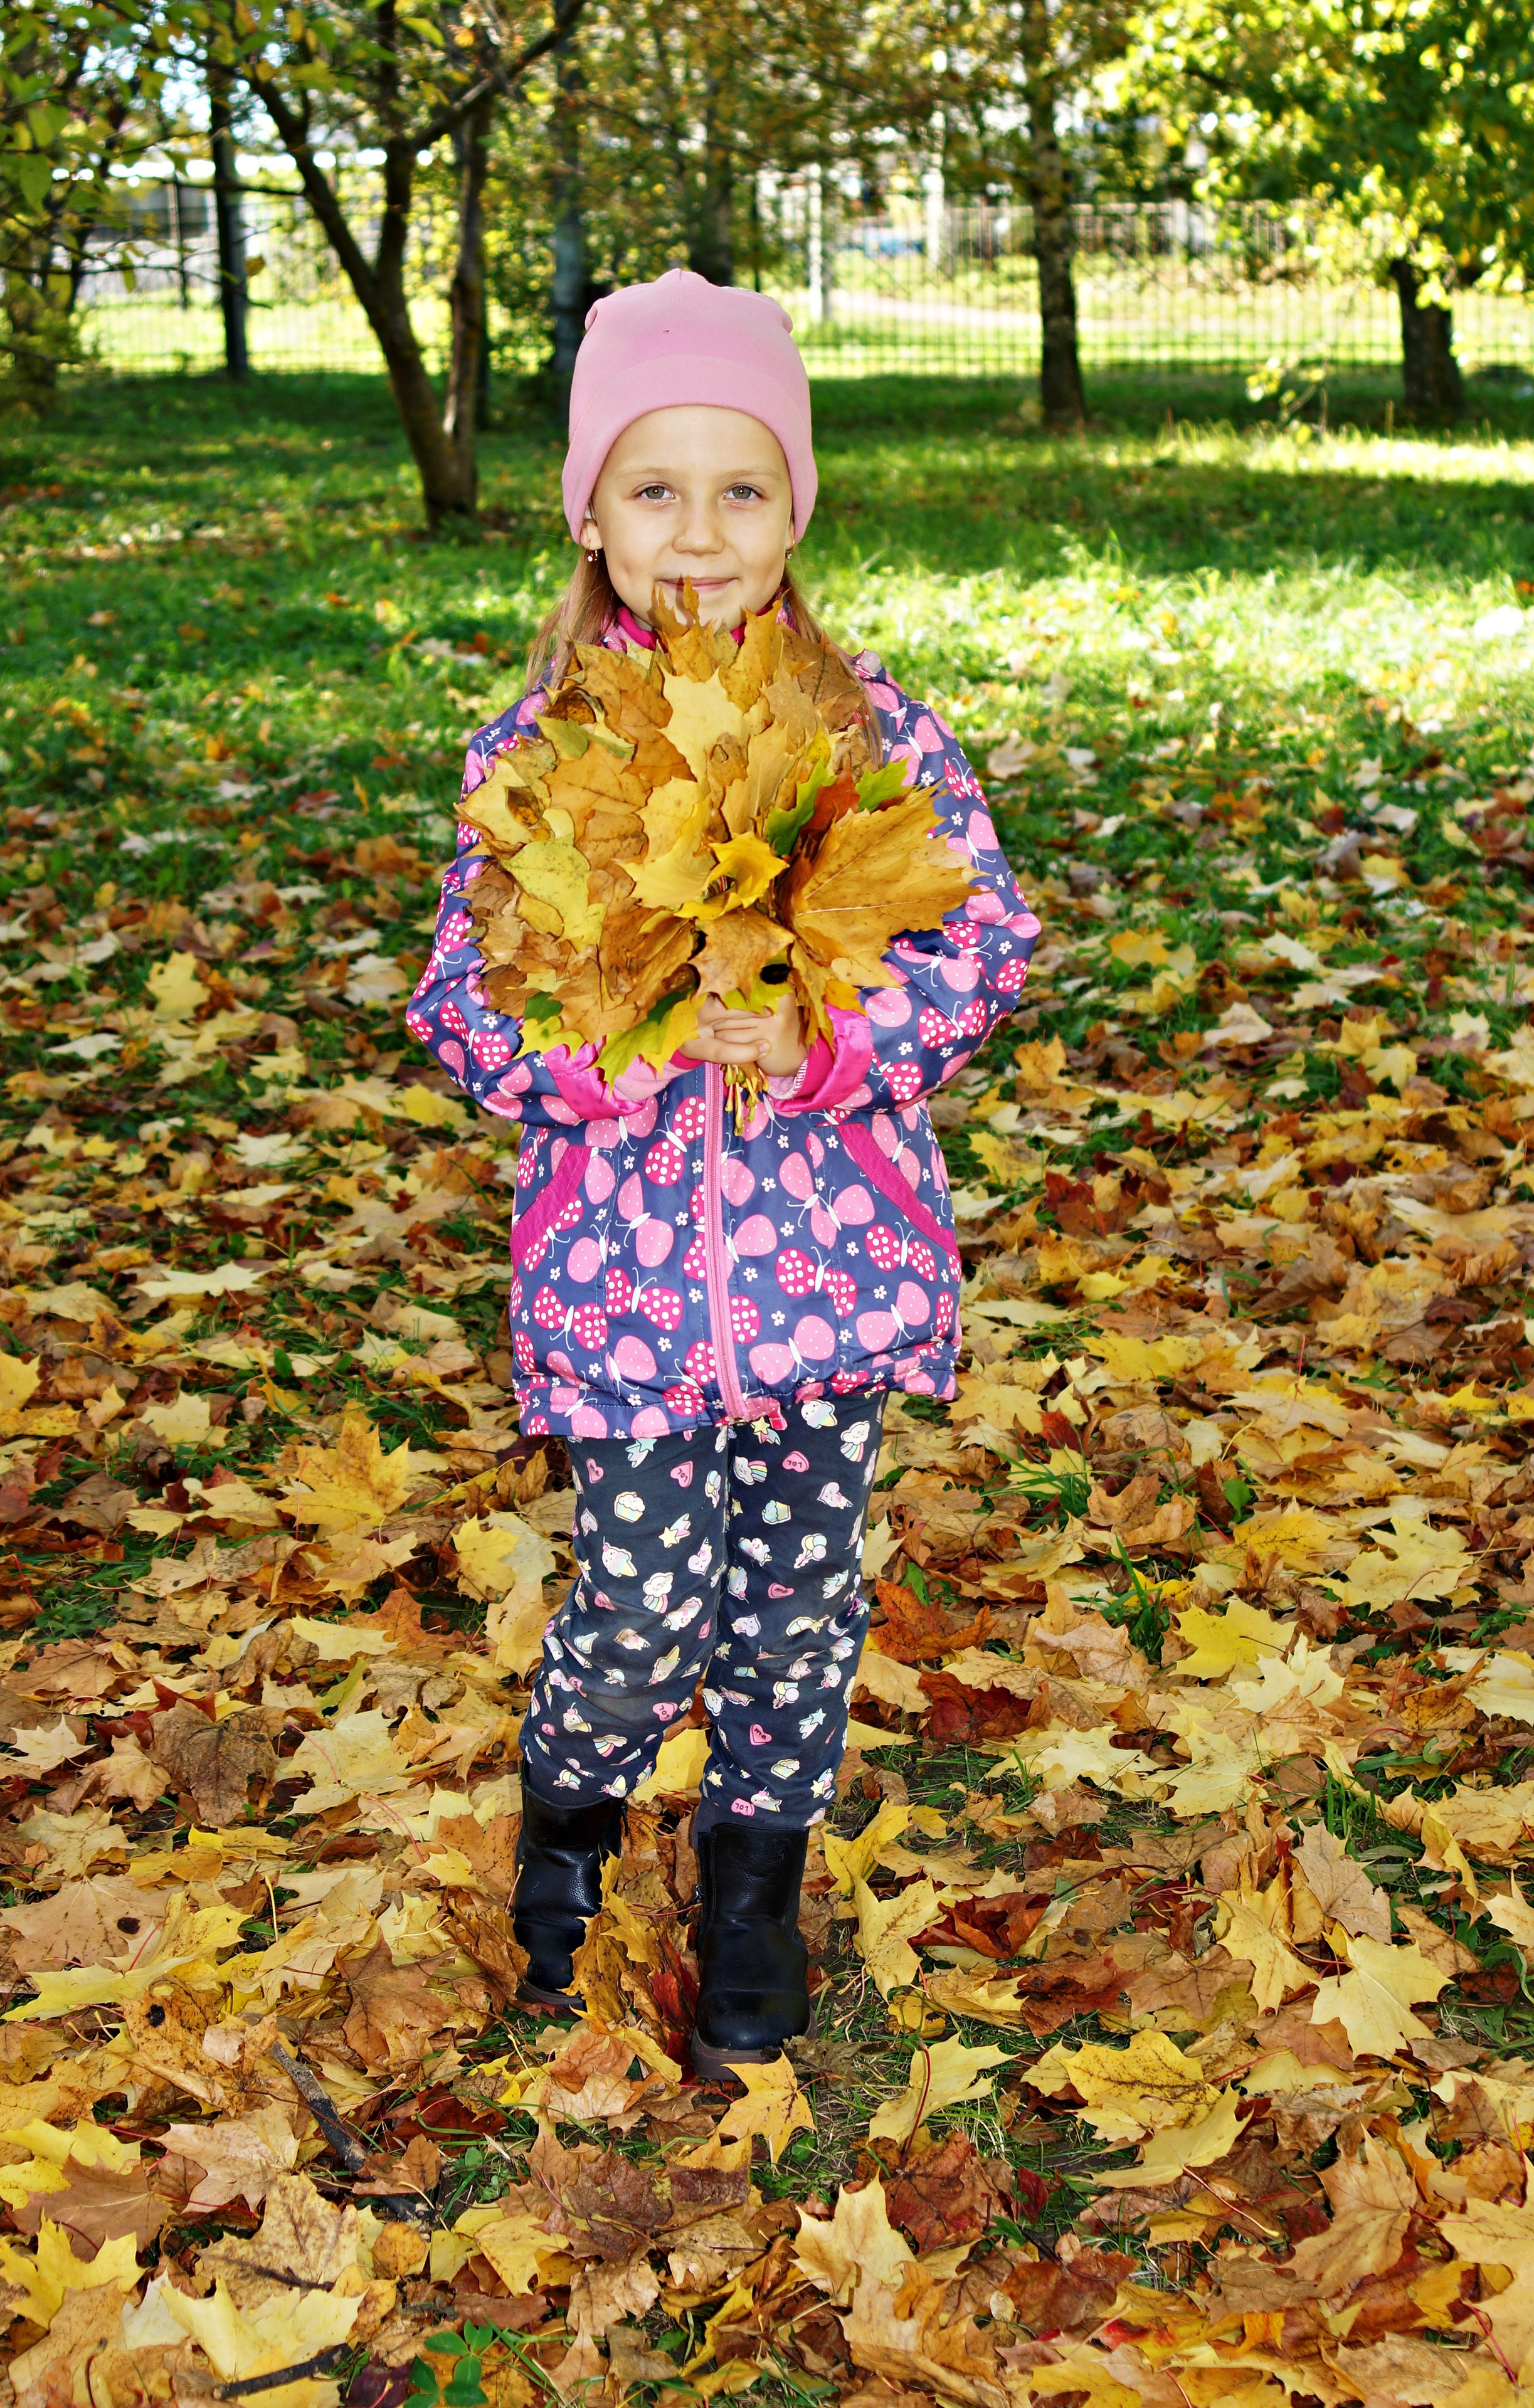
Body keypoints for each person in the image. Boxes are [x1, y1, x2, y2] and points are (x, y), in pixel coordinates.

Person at [406, 268, 1039, 2076]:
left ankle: (755, 1884)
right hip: (620, 1292)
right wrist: (606, 1054)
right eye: (655, 488)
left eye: (742, 488)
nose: (698, 533)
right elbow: (458, 1002)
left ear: (796, 511)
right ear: (591, 510)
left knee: (799, 1600)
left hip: (831, 1276)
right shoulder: (533, 759)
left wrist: (835, 1046)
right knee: (644, 1597)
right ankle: (573, 1831)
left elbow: (980, 938)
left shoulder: (869, 731)